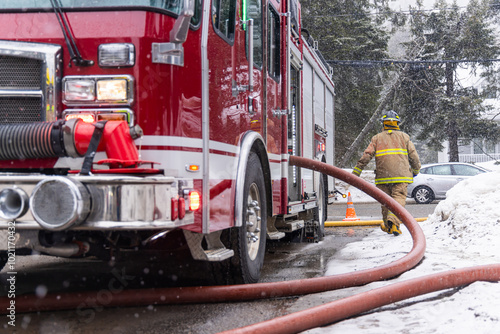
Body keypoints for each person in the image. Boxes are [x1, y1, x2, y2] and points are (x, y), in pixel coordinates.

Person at [352, 110, 421, 236]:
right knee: (398, 198)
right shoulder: (404, 137)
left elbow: (367, 155)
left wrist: (357, 171)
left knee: (385, 201)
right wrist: (416, 170)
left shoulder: (377, 138)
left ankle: (389, 225)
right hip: (401, 176)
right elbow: (414, 156)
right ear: (397, 123)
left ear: (383, 124)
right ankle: (393, 222)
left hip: (383, 176)